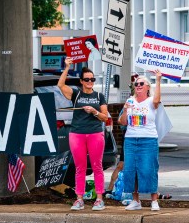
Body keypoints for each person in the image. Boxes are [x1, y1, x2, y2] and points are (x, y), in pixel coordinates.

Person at [58, 58, 108, 211]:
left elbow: (105, 117)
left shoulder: (99, 96)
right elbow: (60, 85)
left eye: (92, 79)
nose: (90, 81)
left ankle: (99, 199)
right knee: (80, 167)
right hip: (77, 133)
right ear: (81, 81)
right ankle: (79, 199)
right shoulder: (76, 94)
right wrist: (67, 67)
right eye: (87, 79)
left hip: (95, 133)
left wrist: (94, 111)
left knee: (97, 166)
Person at [118, 70, 165, 211]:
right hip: (131, 139)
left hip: (148, 139)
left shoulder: (151, 101)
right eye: (136, 84)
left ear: (147, 87)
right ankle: (135, 200)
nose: (138, 85)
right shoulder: (130, 101)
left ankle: (154, 201)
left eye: (141, 83)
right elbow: (122, 122)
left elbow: (157, 100)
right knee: (131, 169)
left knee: (149, 168)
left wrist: (158, 80)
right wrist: (126, 110)